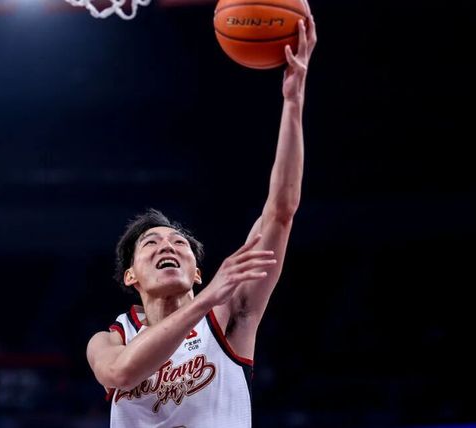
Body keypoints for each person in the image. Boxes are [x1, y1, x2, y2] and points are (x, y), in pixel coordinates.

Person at [86, 7, 317, 427]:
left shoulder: (228, 315)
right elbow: (119, 374)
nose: (168, 245)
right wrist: (209, 297)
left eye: (179, 243)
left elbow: (280, 211)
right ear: (131, 276)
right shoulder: (110, 339)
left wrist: (293, 101)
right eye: (151, 243)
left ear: (196, 272)